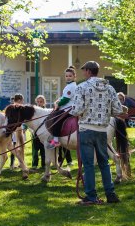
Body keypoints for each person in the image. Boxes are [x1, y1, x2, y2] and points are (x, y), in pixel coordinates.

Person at [69, 61, 124, 205]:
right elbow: (118, 110)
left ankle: (91, 197)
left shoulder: (82, 87)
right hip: (102, 131)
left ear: (88, 71)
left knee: (88, 165)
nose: (83, 73)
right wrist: (106, 112)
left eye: (83, 70)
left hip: (86, 130)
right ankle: (110, 194)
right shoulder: (110, 88)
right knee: (104, 163)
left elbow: (76, 110)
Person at [49, 66, 77, 148]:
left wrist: (58, 104)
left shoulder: (71, 86)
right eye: (66, 76)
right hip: (66, 108)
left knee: (56, 120)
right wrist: (58, 100)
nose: (68, 78)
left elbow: (65, 99)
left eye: (70, 76)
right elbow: (63, 97)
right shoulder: (69, 86)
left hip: (68, 110)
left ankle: (56, 141)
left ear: (74, 76)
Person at [30, 95, 47, 170]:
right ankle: (34, 164)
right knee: (35, 150)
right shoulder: (34, 112)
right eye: (38, 102)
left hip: (44, 133)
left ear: (44, 102)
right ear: (36, 102)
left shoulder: (46, 111)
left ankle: (44, 164)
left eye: (41, 102)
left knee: (43, 149)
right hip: (35, 133)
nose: (39, 103)